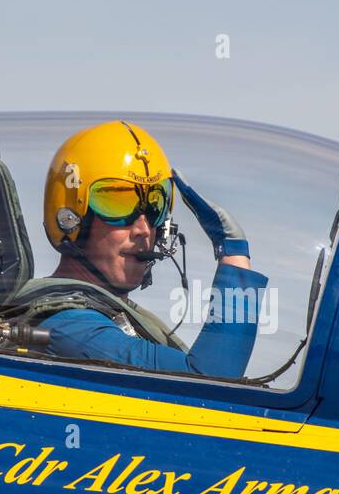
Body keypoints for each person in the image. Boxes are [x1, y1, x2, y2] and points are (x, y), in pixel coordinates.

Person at [17, 120, 268, 378]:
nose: (144, 229)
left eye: (155, 207)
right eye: (117, 203)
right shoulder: (67, 328)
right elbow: (210, 382)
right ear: (71, 216)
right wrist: (233, 252)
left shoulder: (118, 317)